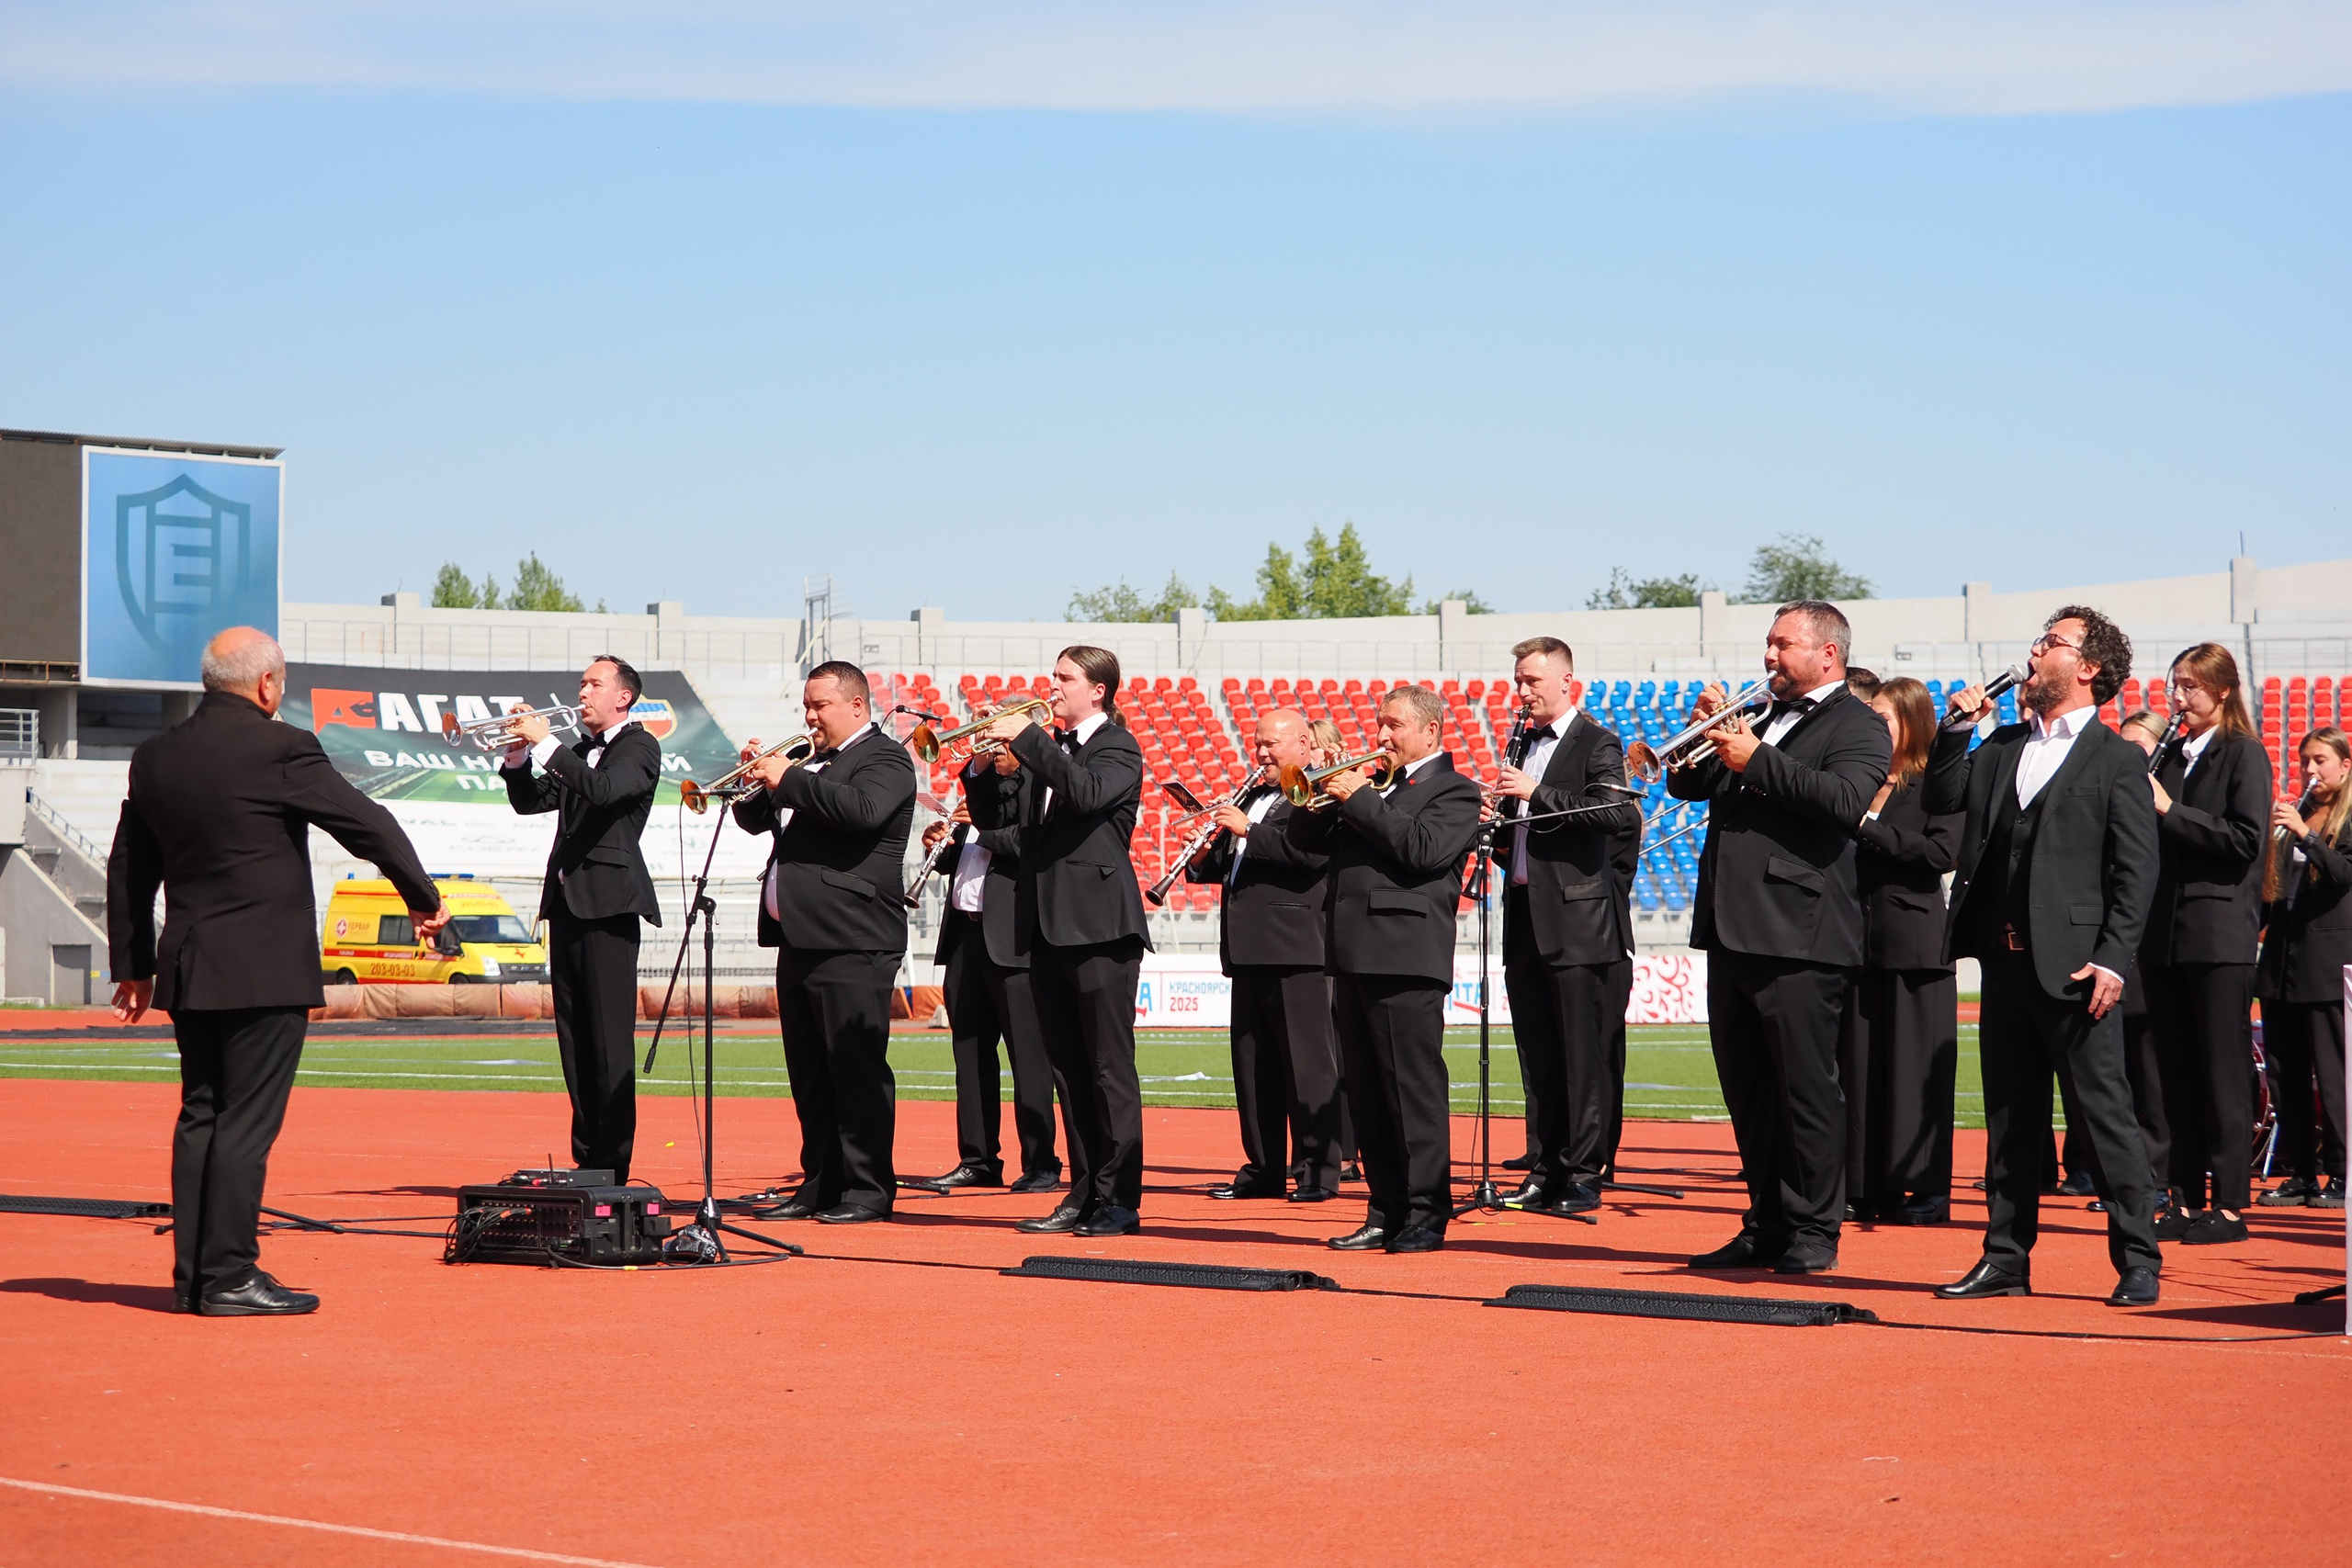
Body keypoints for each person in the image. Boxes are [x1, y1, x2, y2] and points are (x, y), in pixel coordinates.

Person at [107, 627, 447, 1316]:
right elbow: (366, 821)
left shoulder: (155, 757)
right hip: (263, 968)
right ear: (266, 685)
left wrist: (133, 963)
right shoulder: (281, 746)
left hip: (191, 964)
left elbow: (130, 865)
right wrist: (423, 896)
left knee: (201, 1113)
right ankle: (230, 1275)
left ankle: (195, 1276)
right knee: (245, 1124)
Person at [1927, 605, 2164, 1307]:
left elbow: (2135, 871)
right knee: (2010, 1118)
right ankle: (2005, 1256)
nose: (2034, 650)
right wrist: (1954, 729)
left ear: (2088, 668)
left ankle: (2138, 1258)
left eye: (2052, 642)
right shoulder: (1999, 744)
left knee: (2104, 1116)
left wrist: (2114, 959)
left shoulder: (2119, 757)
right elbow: (1942, 797)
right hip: (2003, 965)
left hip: (2077, 969)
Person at [1669, 601, 1893, 1274]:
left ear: (1828, 653)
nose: (1769, 656)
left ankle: (1815, 1228)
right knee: (1750, 1091)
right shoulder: (1760, 717)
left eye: (1782, 644)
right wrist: (1700, 739)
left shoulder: (1859, 723)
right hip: (1733, 929)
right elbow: (1688, 785)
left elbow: (1844, 802)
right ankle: (1764, 1220)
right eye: (1768, 643)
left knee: (1806, 1091)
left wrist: (1756, 757)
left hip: (1802, 934)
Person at [1284, 684, 1482, 1253]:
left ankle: (1425, 1213)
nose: (1380, 736)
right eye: (1379, 724)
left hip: (1405, 956)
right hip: (1350, 952)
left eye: (1393, 725)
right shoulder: (1371, 787)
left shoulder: (1454, 790)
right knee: (1367, 1092)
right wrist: (1317, 790)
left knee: (1411, 1091)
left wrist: (1357, 799)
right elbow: (1302, 844)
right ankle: (1384, 1209)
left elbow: (1421, 851)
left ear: (1429, 731)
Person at [730, 661, 918, 1224]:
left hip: (855, 936)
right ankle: (821, 1181)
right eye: (806, 707)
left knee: (855, 1068)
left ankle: (867, 1189)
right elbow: (750, 820)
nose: (810, 716)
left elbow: (861, 813)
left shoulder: (884, 758)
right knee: (809, 1069)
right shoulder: (810, 763)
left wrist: (787, 777)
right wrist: (756, 782)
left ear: (857, 706)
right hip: (801, 937)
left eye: (821, 706)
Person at [982, 648, 1153, 1238]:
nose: (1051, 688)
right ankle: (1084, 1194)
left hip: (1100, 927)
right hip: (1047, 927)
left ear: (1098, 691)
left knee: (1109, 1069)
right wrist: (986, 767)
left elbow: (1083, 794)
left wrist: (1030, 741)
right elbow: (1005, 826)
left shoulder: (1117, 747)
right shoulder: (1048, 751)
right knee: (1069, 1071)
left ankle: (1120, 1199)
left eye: (1064, 679)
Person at [1487, 637, 1641, 1218]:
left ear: (1566, 681)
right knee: (1540, 1053)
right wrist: (1499, 824)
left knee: (1584, 1053)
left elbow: (1614, 812)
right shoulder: (1521, 741)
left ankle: (1584, 1172)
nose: (1522, 692)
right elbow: (1526, 841)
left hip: (1579, 921)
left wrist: (1535, 793)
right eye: (1518, 682)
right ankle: (1546, 1166)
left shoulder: (1597, 741)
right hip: (1526, 913)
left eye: (1532, 681)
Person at [501, 655, 662, 1185]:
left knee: (610, 1041)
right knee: (574, 1039)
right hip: (567, 906)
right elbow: (530, 803)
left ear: (624, 697)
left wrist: (547, 744)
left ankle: (612, 1165)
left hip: (610, 906)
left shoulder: (639, 747)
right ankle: (586, 1158)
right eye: (582, 683)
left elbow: (604, 792)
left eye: (595, 684)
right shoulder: (579, 753)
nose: (583, 692)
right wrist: (520, 754)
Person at [2139, 643, 2272, 1247]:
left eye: (2190, 687)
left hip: (2217, 933)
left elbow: (2245, 839)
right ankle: (2185, 1198)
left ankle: (2233, 1204)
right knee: (2176, 1073)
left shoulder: (2244, 754)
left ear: (2221, 691)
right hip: (2165, 933)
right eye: (2175, 685)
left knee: (2221, 1071)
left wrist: (2169, 811)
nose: (2179, 697)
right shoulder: (2171, 753)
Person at [1184, 708, 1345, 1201]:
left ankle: (1318, 1172)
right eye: (1257, 744)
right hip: (1248, 948)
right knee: (1253, 1069)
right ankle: (1263, 1168)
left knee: (1308, 1068)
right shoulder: (1252, 795)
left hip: (1296, 948)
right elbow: (1229, 863)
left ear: (1302, 743)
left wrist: (1248, 831)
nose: (1261, 754)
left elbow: (1310, 857)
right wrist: (1198, 855)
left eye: (1271, 745)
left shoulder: (1319, 791)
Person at [1841, 676, 1962, 1225]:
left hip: (1915, 944)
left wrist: (1867, 828)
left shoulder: (1935, 781)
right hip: (1854, 941)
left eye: (1883, 718)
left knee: (1915, 1072)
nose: (1874, 726)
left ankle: (1927, 1186)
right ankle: (1868, 1184)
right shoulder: (1857, 779)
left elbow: (1939, 852)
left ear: (1912, 723)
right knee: (1860, 1070)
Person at [919, 742, 1062, 1194]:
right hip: (965, 936)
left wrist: (980, 828)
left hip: (1014, 941)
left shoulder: (1039, 786)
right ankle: (977, 1159)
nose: (992, 751)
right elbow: (962, 860)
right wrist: (940, 844)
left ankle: (1041, 1162)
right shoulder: (978, 791)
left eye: (1000, 743)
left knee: (1028, 1058)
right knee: (970, 1053)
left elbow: (1033, 844)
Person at [2255, 726, 2352, 1210]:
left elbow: (2342, 875)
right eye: (2304, 761)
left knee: (2332, 1074)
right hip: (2281, 959)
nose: (2310, 771)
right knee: (2284, 1072)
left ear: (2344, 764)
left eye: (2319, 760)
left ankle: (2341, 1172)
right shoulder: (2301, 811)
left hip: (2327, 963)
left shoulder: (2346, 816)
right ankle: (2301, 1173)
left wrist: (2305, 834)